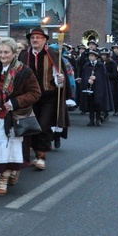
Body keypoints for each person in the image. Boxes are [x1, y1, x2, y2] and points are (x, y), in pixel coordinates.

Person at [0, 37, 41, 195]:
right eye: (0, 52)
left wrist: (15, 102)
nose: (2, 55)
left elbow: (35, 93)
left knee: (9, 147)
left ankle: (3, 180)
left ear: (14, 53)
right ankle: (8, 172)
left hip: (14, 118)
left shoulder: (24, 71)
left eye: (6, 52)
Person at [18, 28, 71, 171]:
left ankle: (41, 155)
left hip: (48, 97)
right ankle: (32, 152)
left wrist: (61, 80)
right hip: (30, 97)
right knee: (30, 125)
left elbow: (60, 79)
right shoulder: (23, 55)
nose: (35, 40)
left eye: (38, 38)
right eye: (33, 38)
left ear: (44, 40)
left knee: (44, 125)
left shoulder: (53, 55)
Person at [79, 49, 112, 126]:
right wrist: (88, 80)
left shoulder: (101, 65)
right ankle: (91, 120)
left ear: (96, 57)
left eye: (92, 56)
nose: (91, 57)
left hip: (98, 88)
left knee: (98, 104)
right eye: (90, 56)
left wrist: (96, 78)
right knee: (90, 104)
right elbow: (84, 75)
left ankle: (98, 119)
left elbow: (104, 77)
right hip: (89, 88)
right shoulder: (87, 65)